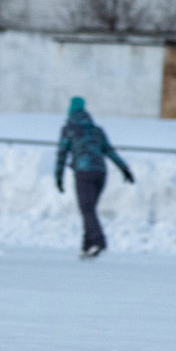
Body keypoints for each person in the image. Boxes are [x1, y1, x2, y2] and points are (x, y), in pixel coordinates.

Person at [54, 96, 134, 258]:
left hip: (83, 173)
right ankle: (87, 245)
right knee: (89, 210)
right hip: (100, 174)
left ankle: (98, 241)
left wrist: (58, 177)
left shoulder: (69, 129)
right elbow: (110, 151)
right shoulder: (96, 130)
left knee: (87, 209)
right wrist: (125, 169)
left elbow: (62, 154)